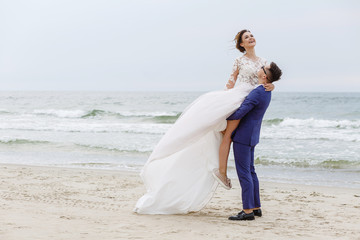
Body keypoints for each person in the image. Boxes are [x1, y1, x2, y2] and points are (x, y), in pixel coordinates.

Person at [134, 30, 274, 214]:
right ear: (241, 44)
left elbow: (268, 79)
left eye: (252, 35)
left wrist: (272, 85)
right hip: (239, 97)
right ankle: (221, 172)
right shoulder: (239, 61)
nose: (251, 38)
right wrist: (222, 102)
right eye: (246, 37)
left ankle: (245, 198)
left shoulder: (265, 62)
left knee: (240, 145)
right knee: (228, 136)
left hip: (252, 99)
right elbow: (231, 83)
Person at [227, 62, 282, 220]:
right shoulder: (266, 91)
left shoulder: (258, 92)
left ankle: (248, 211)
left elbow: (241, 112)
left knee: (244, 173)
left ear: (264, 76)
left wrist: (223, 116)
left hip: (243, 136)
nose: (260, 67)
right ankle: (256, 207)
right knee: (251, 171)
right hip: (252, 135)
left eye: (263, 68)